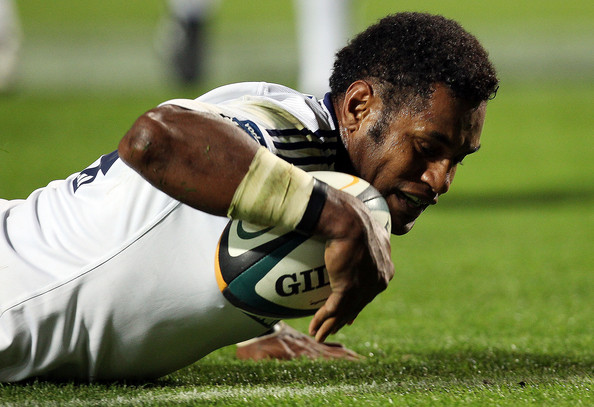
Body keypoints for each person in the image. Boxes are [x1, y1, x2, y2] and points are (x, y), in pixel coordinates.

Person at [0, 12, 498, 381]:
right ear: (358, 107)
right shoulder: (287, 131)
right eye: (427, 148)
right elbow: (154, 139)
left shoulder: (322, 163)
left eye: (458, 159)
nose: (441, 180)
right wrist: (339, 217)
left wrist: (260, 327)